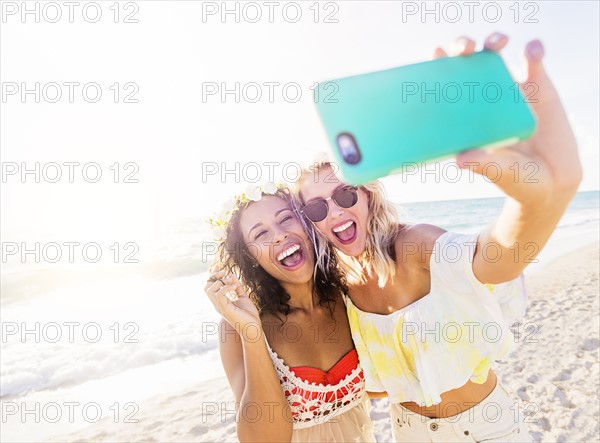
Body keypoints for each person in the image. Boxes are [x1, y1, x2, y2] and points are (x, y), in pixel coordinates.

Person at [296, 33, 582, 442]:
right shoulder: (339, 283)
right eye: (318, 208)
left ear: (367, 195)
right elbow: (372, 382)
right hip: (408, 432)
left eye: (344, 193)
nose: (336, 211)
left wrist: (539, 204)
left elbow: (495, 260)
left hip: (484, 428)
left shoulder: (413, 244)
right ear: (311, 223)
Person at [204, 184, 376, 442]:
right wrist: (252, 335)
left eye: (286, 218)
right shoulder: (236, 326)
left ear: (306, 224)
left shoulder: (349, 295)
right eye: (260, 233)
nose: (279, 235)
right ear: (250, 256)